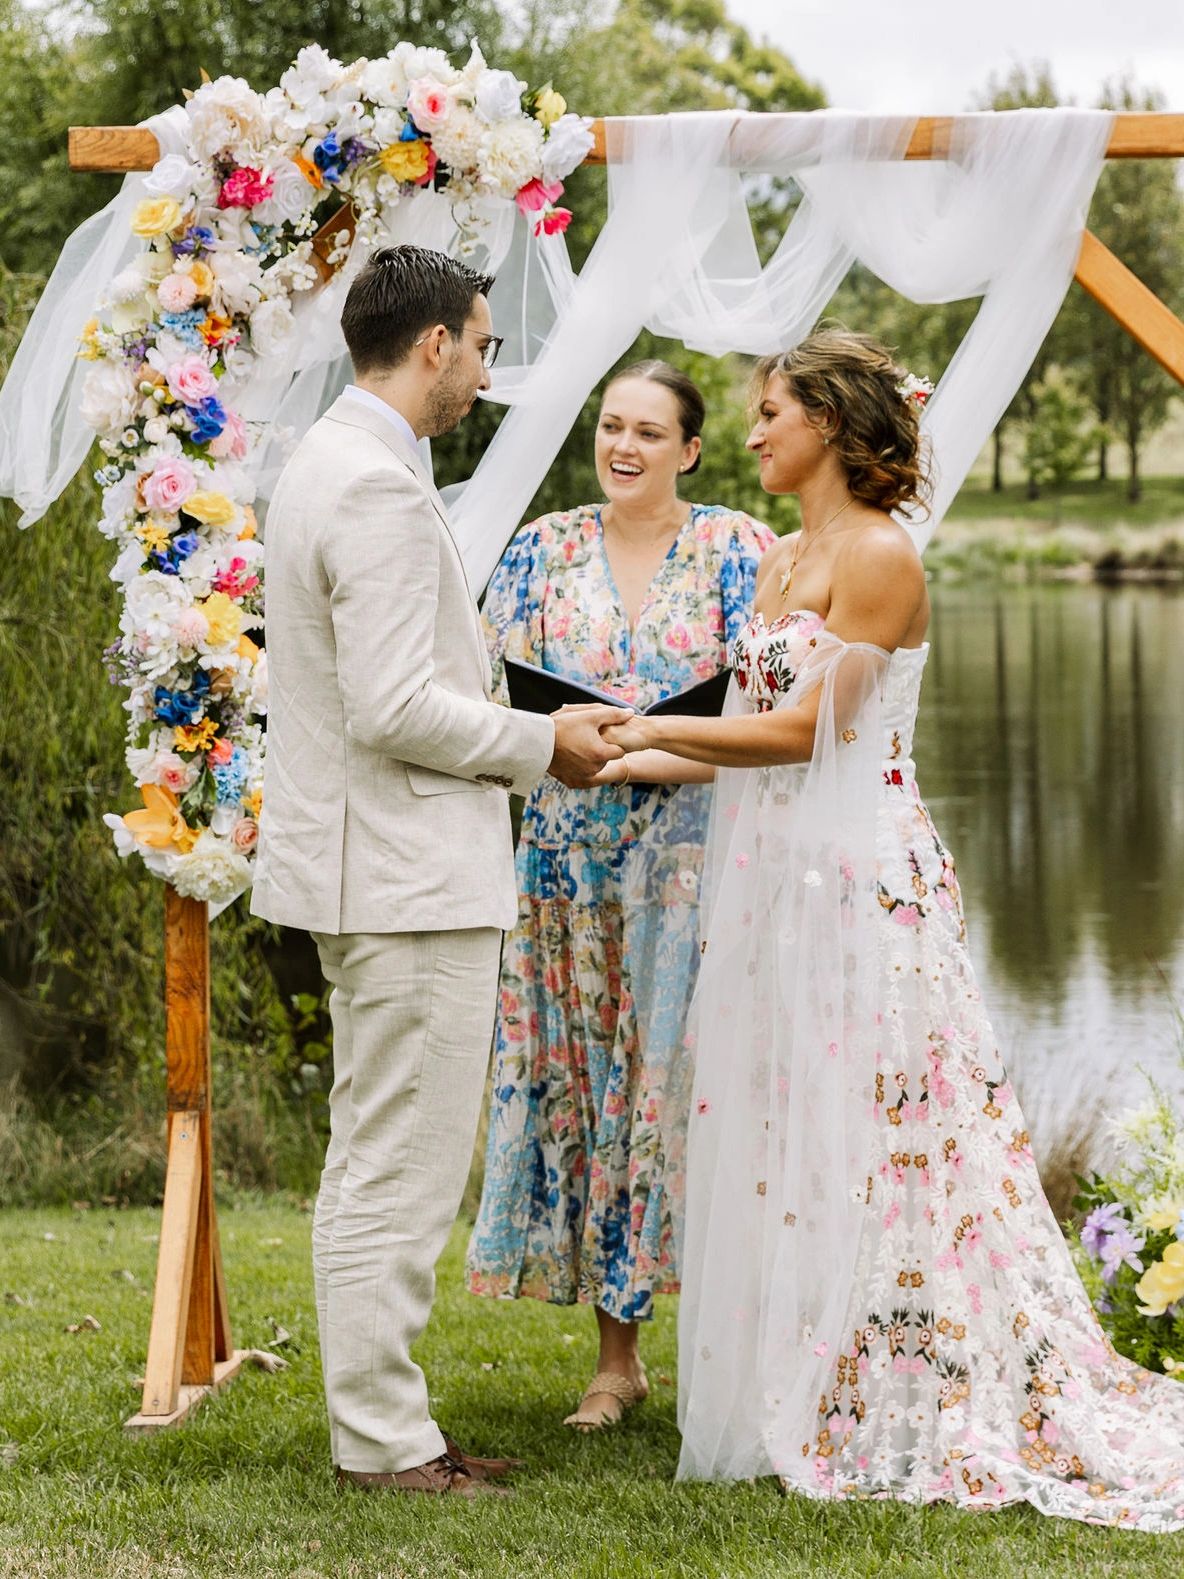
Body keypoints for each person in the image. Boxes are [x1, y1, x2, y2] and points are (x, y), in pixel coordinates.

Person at [599, 329, 1184, 1528]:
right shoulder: (777, 556)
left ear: (828, 420)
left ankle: (907, 1378)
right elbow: (754, 745)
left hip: (862, 881)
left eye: (770, 413)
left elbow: (809, 733)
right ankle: (807, 1369)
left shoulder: (875, 556)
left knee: (888, 1128)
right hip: (768, 878)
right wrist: (642, 758)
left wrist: (640, 732)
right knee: (784, 1116)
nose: (752, 434)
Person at [251, 244, 624, 1498]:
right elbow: (396, 705)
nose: (484, 366)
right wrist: (543, 744)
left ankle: (391, 1425)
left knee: (383, 1154)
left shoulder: (335, 461)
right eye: (482, 341)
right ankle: (383, 1442)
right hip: (402, 874)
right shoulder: (370, 485)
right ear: (431, 347)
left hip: (376, 865)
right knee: (399, 1171)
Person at [465, 360, 774, 1430]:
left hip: (696, 863)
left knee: (696, 1092)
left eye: (649, 430)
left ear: (690, 448)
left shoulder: (741, 550)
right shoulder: (540, 550)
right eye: (610, 426)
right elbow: (485, 694)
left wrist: (642, 750)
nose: (624, 445)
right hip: (566, 870)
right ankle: (614, 1360)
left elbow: (770, 714)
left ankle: (746, 1347)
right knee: (599, 1091)